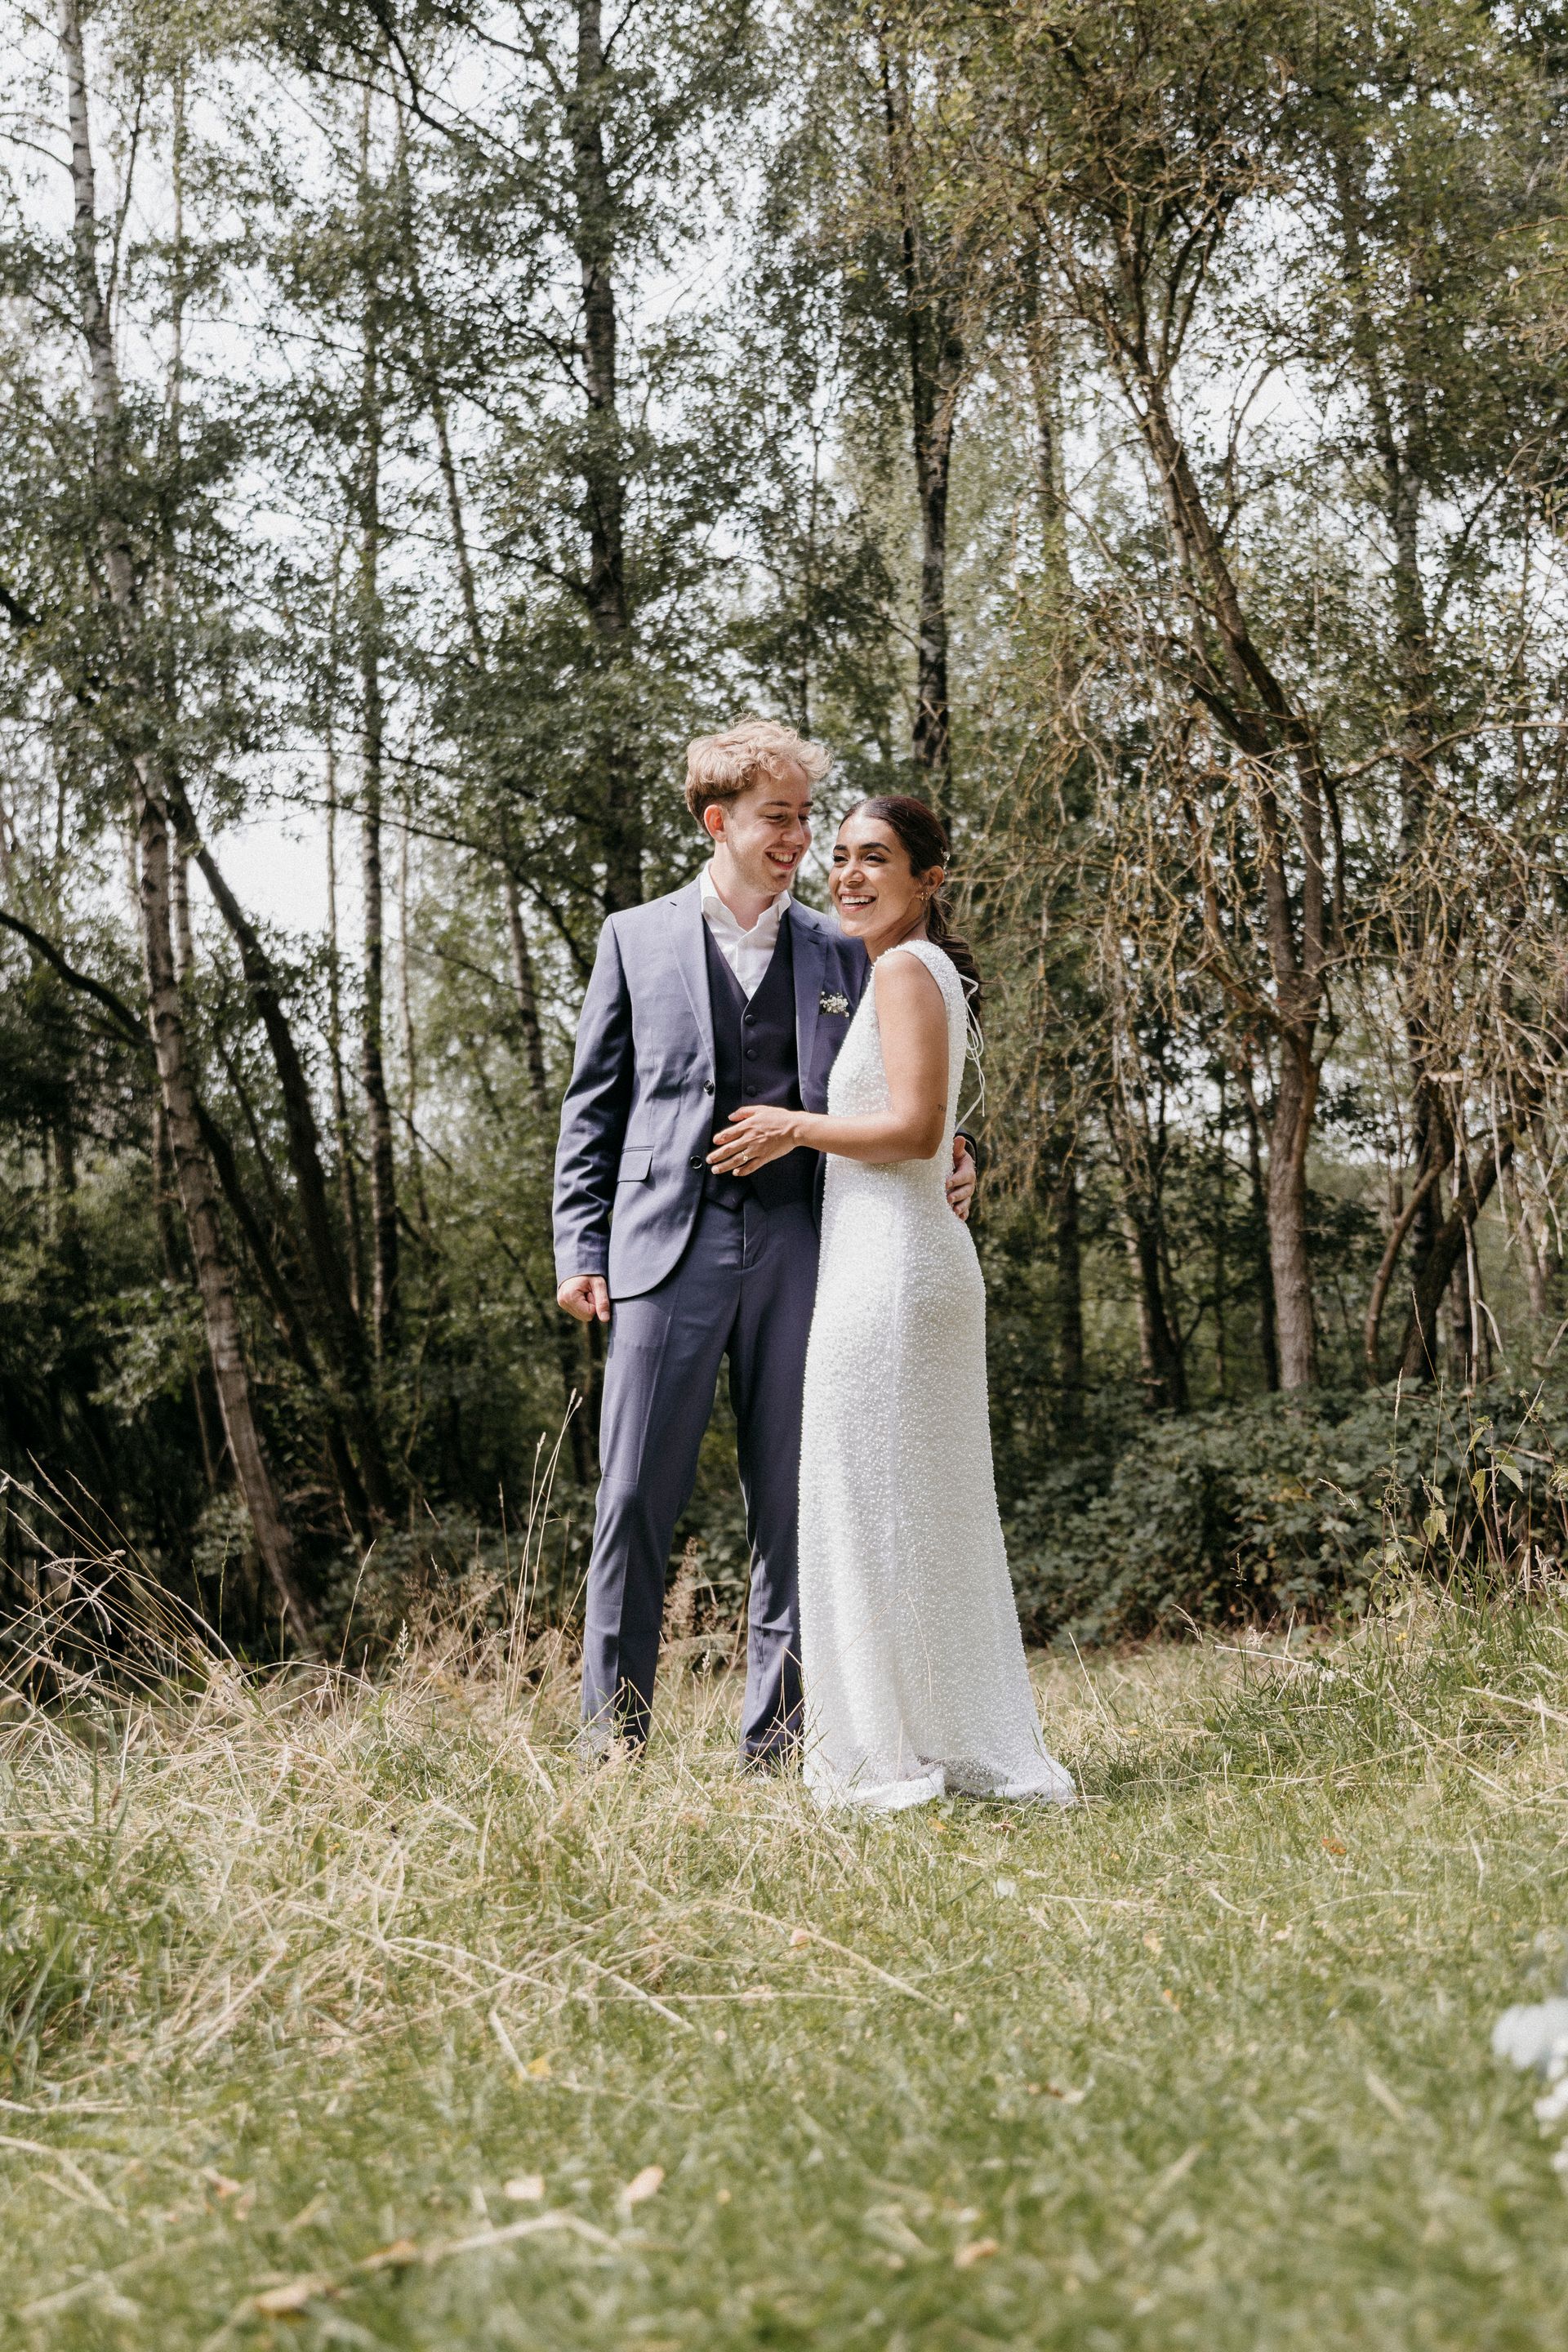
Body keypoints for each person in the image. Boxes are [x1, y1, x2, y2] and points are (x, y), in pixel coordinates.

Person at [553, 721, 977, 1762]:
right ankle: (612, 1740)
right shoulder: (634, 938)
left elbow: (905, 1077)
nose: (798, 841)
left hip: (804, 1247)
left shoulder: (845, 948)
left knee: (794, 1503)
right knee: (632, 1496)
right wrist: (581, 1248)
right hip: (663, 1249)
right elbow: (592, 1108)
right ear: (720, 820)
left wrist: (967, 1148)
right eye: (778, 819)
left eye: (804, 820)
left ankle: (780, 1744)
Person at [709, 795, 1076, 1810]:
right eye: (840, 857)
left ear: (929, 877)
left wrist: (791, 1126)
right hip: (895, 1261)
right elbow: (931, 1126)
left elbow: (915, 1128)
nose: (850, 875)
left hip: (894, 1274)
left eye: (876, 857)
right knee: (909, 1510)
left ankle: (883, 1755)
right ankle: (930, 1737)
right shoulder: (902, 971)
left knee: (868, 1505)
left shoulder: (909, 971)